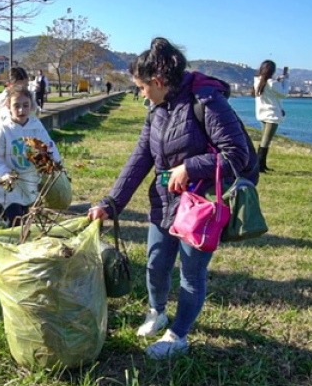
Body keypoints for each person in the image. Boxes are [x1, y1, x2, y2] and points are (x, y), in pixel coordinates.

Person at [87, 37, 253, 360]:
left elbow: (238, 155)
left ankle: (178, 334)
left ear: (159, 82)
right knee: (156, 264)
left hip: (200, 206)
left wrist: (190, 168)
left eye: (142, 87)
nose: (141, 93)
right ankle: (157, 311)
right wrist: (111, 203)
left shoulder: (207, 100)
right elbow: (140, 159)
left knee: (191, 274)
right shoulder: (156, 110)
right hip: (164, 202)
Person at [0, 86, 62, 226]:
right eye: (16, 106)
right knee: (15, 219)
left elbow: (49, 146)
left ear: (31, 106)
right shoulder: (3, 129)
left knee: (27, 215)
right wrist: (4, 174)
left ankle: (21, 239)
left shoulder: (36, 127)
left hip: (29, 180)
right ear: (8, 106)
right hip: (10, 183)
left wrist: (55, 163)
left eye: (25, 105)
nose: (21, 110)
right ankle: (13, 240)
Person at [253, 60, 289, 172]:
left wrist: (278, 81)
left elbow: (270, 91)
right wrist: (285, 80)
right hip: (272, 114)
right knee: (266, 140)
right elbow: (284, 93)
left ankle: (261, 165)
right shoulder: (272, 82)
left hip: (262, 113)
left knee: (264, 138)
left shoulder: (258, 80)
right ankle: (259, 165)